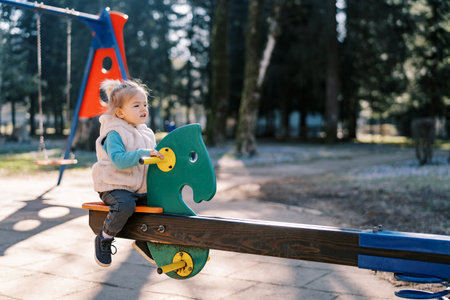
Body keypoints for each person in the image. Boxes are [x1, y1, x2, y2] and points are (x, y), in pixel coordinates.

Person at [92, 79, 164, 267]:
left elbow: (152, 157)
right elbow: (118, 160)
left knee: (159, 203)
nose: (143, 109)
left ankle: (144, 239)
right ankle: (105, 237)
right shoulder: (114, 132)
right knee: (125, 205)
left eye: (145, 104)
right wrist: (142, 154)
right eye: (137, 105)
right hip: (114, 185)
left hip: (137, 187)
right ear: (120, 112)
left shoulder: (145, 131)